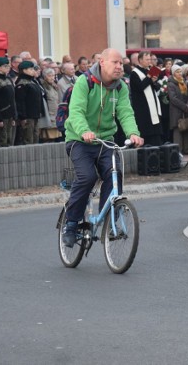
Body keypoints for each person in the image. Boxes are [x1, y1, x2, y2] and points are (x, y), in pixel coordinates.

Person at [61, 48, 143, 247]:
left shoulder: (120, 87)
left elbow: (125, 112)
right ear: (102, 63)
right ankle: (71, 224)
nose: (119, 67)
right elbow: (76, 111)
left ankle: (109, 219)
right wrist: (84, 131)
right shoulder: (84, 82)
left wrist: (133, 133)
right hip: (79, 140)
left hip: (105, 140)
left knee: (115, 173)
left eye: (121, 63)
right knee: (87, 177)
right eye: (114, 62)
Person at [129, 51, 163, 146]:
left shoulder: (150, 70)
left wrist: (154, 81)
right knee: (147, 134)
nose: (149, 62)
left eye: (150, 59)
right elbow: (139, 88)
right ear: (140, 60)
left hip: (153, 107)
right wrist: (148, 78)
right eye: (147, 59)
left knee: (156, 134)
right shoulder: (134, 73)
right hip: (143, 108)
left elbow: (155, 88)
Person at [14, 60, 45, 145]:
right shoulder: (22, 83)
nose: (33, 71)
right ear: (24, 70)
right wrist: (23, 117)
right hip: (28, 116)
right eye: (30, 69)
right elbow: (20, 102)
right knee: (28, 138)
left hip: (35, 114)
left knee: (35, 137)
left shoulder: (32, 82)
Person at [0, 57, 17, 147]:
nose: (8, 68)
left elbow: (12, 99)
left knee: (9, 140)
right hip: (1, 115)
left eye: (8, 66)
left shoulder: (8, 80)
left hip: (9, 115)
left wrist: (13, 116)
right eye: (5, 66)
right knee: (1, 141)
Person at [167, 64, 188, 154]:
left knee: (186, 127)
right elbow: (173, 98)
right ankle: (178, 149)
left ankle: (187, 149)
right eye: (177, 72)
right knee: (178, 128)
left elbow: (187, 95)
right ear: (173, 73)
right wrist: (184, 106)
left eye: (180, 71)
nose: (179, 73)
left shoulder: (183, 82)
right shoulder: (171, 83)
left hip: (185, 109)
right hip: (176, 110)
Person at [38, 67, 62, 142]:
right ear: (45, 77)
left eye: (53, 76)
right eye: (50, 76)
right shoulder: (43, 87)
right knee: (47, 138)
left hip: (55, 115)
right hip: (49, 116)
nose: (52, 78)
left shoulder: (54, 86)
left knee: (55, 138)